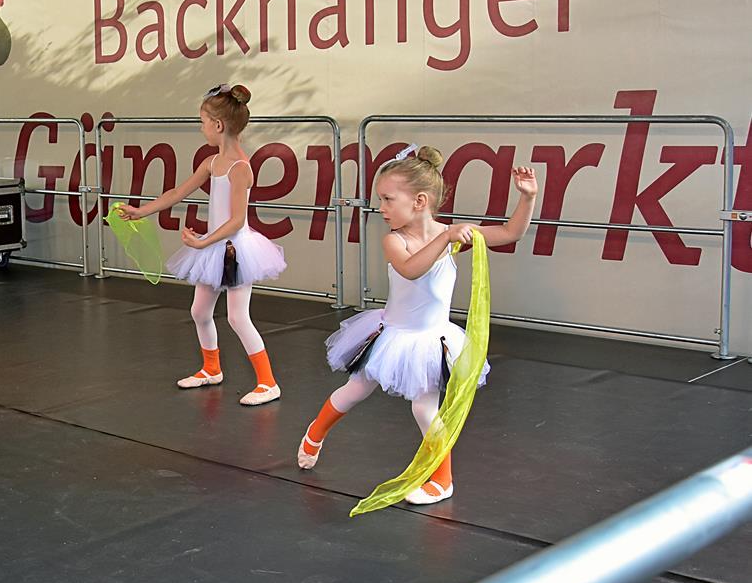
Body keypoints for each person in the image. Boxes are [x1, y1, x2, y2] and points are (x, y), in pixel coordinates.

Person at [297, 146, 538, 505]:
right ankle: (315, 433)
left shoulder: (450, 235)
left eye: (388, 199)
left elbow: (510, 233)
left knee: (423, 408)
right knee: (354, 390)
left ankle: (443, 480)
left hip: (430, 341)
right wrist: (446, 238)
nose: (381, 208)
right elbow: (411, 269)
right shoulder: (396, 239)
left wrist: (528, 198)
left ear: (420, 201)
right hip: (391, 335)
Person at [119, 84, 286, 406]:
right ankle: (211, 369)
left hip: (236, 251)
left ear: (218, 125)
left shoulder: (241, 168)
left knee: (238, 317)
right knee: (199, 311)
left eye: (203, 122)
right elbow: (177, 192)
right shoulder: (212, 162)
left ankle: (268, 383)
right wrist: (141, 211)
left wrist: (203, 242)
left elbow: (237, 220)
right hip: (212, 247)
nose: (201, 128)